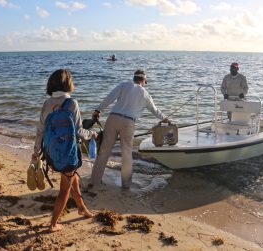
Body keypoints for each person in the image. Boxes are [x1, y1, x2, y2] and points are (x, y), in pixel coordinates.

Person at [32, 69, 96, 232]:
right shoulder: (71, 103)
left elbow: (40, 130)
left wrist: (36, 152)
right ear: (68, 83)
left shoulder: (46, 104)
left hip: (52, 154)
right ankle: (53, 224)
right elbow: (79, 131)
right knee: (64, 189)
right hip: (68, 154)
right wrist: (93, 134)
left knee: (71, 178)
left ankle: (81, 208)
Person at [89, 69, 168, 189]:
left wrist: (98, 110)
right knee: (126, 154)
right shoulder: (145, 94)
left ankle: (94, 181)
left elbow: (109, 98)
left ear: (134, 78)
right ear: (143, 81)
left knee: (104, 151)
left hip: (113, 118)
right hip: (128, 122)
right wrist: (164, 118)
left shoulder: (124, 85)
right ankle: (126, 185)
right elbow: (155, 110)